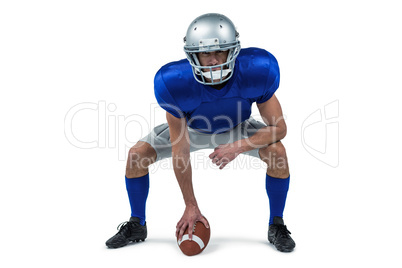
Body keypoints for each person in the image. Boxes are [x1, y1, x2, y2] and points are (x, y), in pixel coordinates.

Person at [105, 13, 296, 253]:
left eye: (221, 51)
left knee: (278, 153)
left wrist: (238, 146)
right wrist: (190, 205)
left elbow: (279, 129)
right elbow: (180, 149)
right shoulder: (174, 83)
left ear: (234, 51)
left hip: (237, 127)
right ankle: (136, 224)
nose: (214, 60)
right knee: (136, 156)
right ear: (193, 55)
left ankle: (276, 225)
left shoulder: (257, 70)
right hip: (191, 128)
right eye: (206, 53)